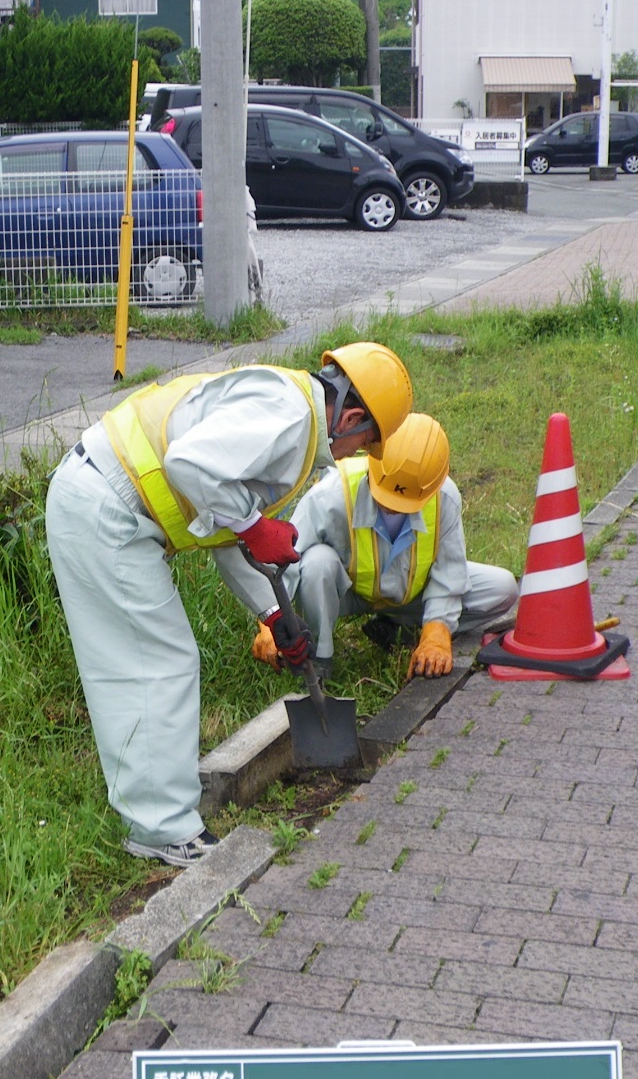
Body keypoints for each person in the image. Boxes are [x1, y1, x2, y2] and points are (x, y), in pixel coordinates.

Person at [45, 343, 414, 867]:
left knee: (149, 662)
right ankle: (162, 829)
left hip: (103, 497)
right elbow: (189, 465)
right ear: (351, 417)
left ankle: (155, 808)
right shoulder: (289, 419)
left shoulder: (289, 406)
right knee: (154, 663)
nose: (356, 455)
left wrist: (274, 614)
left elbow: (222, 518)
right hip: (106, 507)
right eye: (364, 443)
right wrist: (256, 525)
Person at [249, 413, 519, 681]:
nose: (392, 507)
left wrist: (438, 631)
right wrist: (270, 621)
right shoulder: (331, 494)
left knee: (502, 588)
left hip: (410, 593)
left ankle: (397, 630)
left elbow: (449, 573)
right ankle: (319, 658)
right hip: (347, 592)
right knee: (317, 563)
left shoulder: (443, 497)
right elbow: (285, 561)